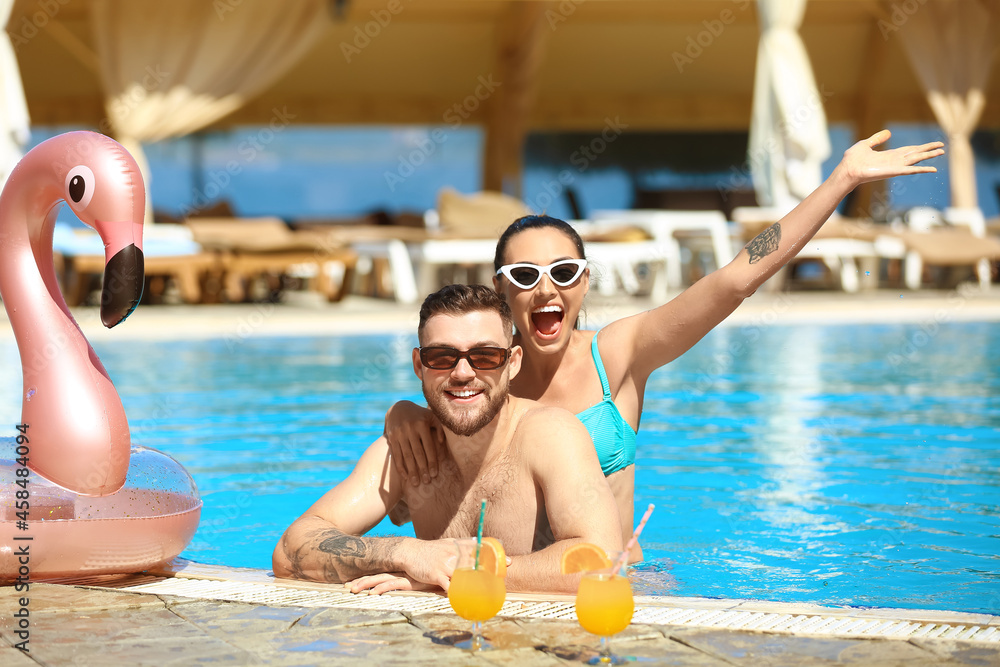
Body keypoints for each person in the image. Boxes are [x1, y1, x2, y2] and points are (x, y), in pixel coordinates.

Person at [383, 130, 945, 562]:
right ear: (500, 288)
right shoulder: (477, 375)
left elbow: (734, 278)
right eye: (525, 274)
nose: (546, 287)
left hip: (612, 586)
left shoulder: (619, 355)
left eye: (563, 270)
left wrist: (840, 181)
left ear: (584, 281)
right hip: (508, 592)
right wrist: (404, 413)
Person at [273, 284, 622, 595]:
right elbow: (290, 552)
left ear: (513, 362)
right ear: (419, 365)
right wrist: (407, 553)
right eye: (442, 357)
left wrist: (458, 573)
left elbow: (600, 562)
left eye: (485, 356)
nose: (463, 373)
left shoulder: (550, 435)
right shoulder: (408, 448)